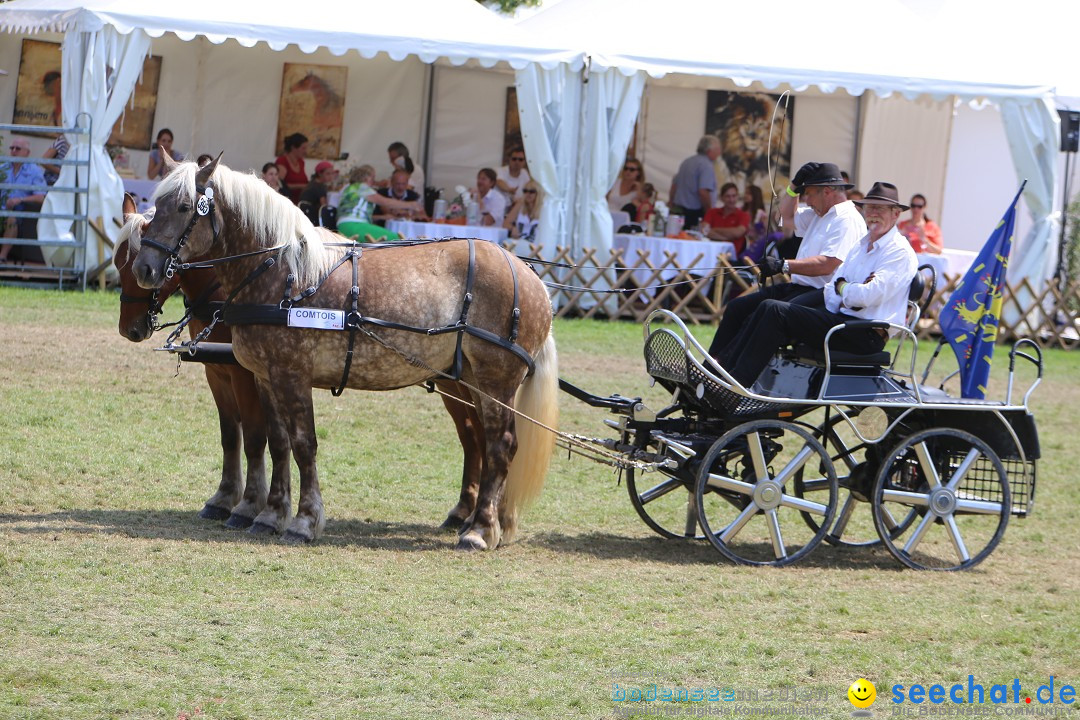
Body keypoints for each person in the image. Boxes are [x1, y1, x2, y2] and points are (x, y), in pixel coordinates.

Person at [714, 181, 917, 388]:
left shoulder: (898, 252)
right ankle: (721, 371)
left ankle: (736, 384)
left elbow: (863, 296)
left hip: (865, 333)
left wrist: (844, 288)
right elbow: (833, 288)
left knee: (776, 311)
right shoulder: (861, 245)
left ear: (896, 213)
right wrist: (844, 289)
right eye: (869, 207)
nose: (873, 213)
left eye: (880, 208)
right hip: (842, 319)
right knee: (768, 306)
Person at [707, 161, 865, 358]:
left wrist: (783, 265)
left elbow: (828, 264)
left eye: (809, 193)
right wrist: (793, 187)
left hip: (820, 296)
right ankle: (711, 364)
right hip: (799, 288)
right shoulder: (820, 213)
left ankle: (726, 369)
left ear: (826, 191)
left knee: (758, 316)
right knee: (737, 307)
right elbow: (782, 217)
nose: (806, 198)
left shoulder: (847, 219)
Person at [336, 164, 423, 243]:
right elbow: (385, 202)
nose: (374, 181)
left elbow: (359, 213)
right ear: (366, 177)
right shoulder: (362, 188)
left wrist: (382, 217)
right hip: (354, 226)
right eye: (373, 178)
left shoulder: (350, 188)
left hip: (345, 225)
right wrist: (410, 204)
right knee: (396, 238)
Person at [1, 138, 47, 261]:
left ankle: (2, 257)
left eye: (18, 149)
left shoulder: (34, 171)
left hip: (20, 214)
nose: (14, 151)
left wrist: (20, 200)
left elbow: (41, 197)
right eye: (12, 148)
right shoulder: (3, 168)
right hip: (2, 209)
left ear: (27, 153)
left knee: (12, 219)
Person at [669, 135, 722, 229]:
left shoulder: (687, 162)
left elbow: (674, 186)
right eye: (717, 149)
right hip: (694, 213)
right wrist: (709, 212)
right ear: (709, 151)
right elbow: (703, 192)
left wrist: (671, 203)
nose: (719, 152)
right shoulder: (706, 166)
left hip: (679, 210)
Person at [702, 183, 751, 254]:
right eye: (728, 196)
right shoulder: (712, 212)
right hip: (710, 252)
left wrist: (714, 230)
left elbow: (738, 233)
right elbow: (704, 231)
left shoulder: (743, 215)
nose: (731, 200)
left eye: (734, 196)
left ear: (737, 197)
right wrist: (728, 237)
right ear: (722, 198)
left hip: (731, 257)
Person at [276, 132, 309, 203]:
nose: (306, 151)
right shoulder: (282, 161)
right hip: (287, 202)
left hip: (300, 201)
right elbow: (279, 184)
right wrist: (301, 186)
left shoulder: (301, 162)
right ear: (293, 147)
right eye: (303, 148)